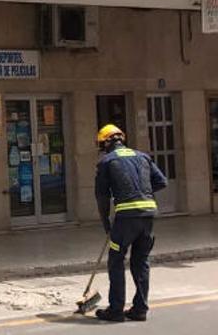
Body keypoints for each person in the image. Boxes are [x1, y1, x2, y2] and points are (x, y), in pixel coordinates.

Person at [94, 124, 167, 322]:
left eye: (102, 145)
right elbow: (162, 182)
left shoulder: (106, 162)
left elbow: (101, 197)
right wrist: (142, 191)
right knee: (141, 261)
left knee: (116, 260)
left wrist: (106, 226)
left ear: (106, 142)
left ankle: (116, 310)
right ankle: (140, 309)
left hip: (126, 219)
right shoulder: (142, 156)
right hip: (148, 216)